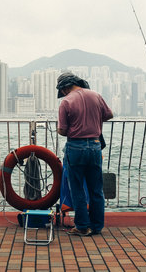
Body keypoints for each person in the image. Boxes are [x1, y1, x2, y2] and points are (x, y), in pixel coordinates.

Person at [56, 72, 113, 236]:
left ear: (65, 88)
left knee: (77, 188)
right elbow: (109, 115)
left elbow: (62, 130)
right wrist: (94, 120)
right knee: (96, 189)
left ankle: (82, 226)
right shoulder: (96, 95)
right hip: (95, 146)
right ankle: (97, 226)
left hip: (75, 147)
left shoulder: (66, 102)